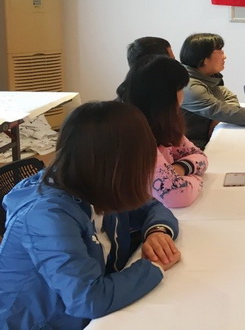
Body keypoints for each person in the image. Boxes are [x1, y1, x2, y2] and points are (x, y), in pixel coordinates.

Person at [0, 101, 181, 329]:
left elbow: (151, 207)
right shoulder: (47, 216)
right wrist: (153, 267)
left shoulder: (96, 183)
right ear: (123, 163)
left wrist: (158, 231)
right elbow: (87, 300)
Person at [119, 55, 208, 208]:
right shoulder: (136, 134)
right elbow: (177, 195)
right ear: (166, 96)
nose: (183, 95)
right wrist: (195, 178)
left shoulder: (162, 125)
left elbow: (200, 156)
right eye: (180, 89)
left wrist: (180, 168)